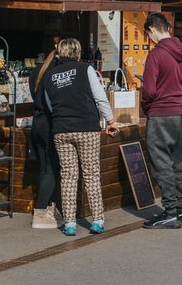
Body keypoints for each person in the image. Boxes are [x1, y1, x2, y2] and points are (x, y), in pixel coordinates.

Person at [42, 38, 119, 236]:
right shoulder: (86, 69)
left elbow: (50, 105)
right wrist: (110, 121)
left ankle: (69, 223)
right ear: (78, 54)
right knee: (91, 174)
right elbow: (99, 96)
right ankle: (97, 221)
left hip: (62, 130)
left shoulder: (49, 75)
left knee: (68, 176)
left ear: (59, 54)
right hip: (86, 128)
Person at [141, 12, 182, 229]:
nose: (149, 38)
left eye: (148, 34)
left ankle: (170, 211)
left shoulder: (155, 55)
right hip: (180, 113)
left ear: (153, 29)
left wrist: (145, 107)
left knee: (161, 164)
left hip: (161, 114)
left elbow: (149, 90)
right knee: (178, 164)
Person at [30, 50, 62, 229]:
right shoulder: (55, 73)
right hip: (49, 122)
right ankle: (40, 210)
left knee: (43, 168)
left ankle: (48, 208)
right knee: (52, 169)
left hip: (37, 121)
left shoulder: (37, 71)